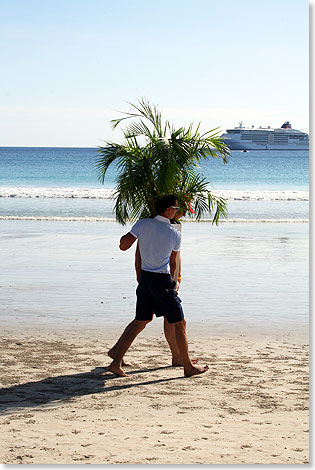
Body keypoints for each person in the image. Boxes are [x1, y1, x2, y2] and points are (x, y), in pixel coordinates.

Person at [107, 195, 209, 378]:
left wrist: (130, 245)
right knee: (180, 323)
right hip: (162, 282)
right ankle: (187, 367)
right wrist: (175, 282)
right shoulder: (174, 234)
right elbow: (173, 262)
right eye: (176, 209)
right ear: (168, 210)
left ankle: (116, 362)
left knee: (141, 321)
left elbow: (124, 245)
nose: (177, 212)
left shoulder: (143, 224)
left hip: (145, 279)